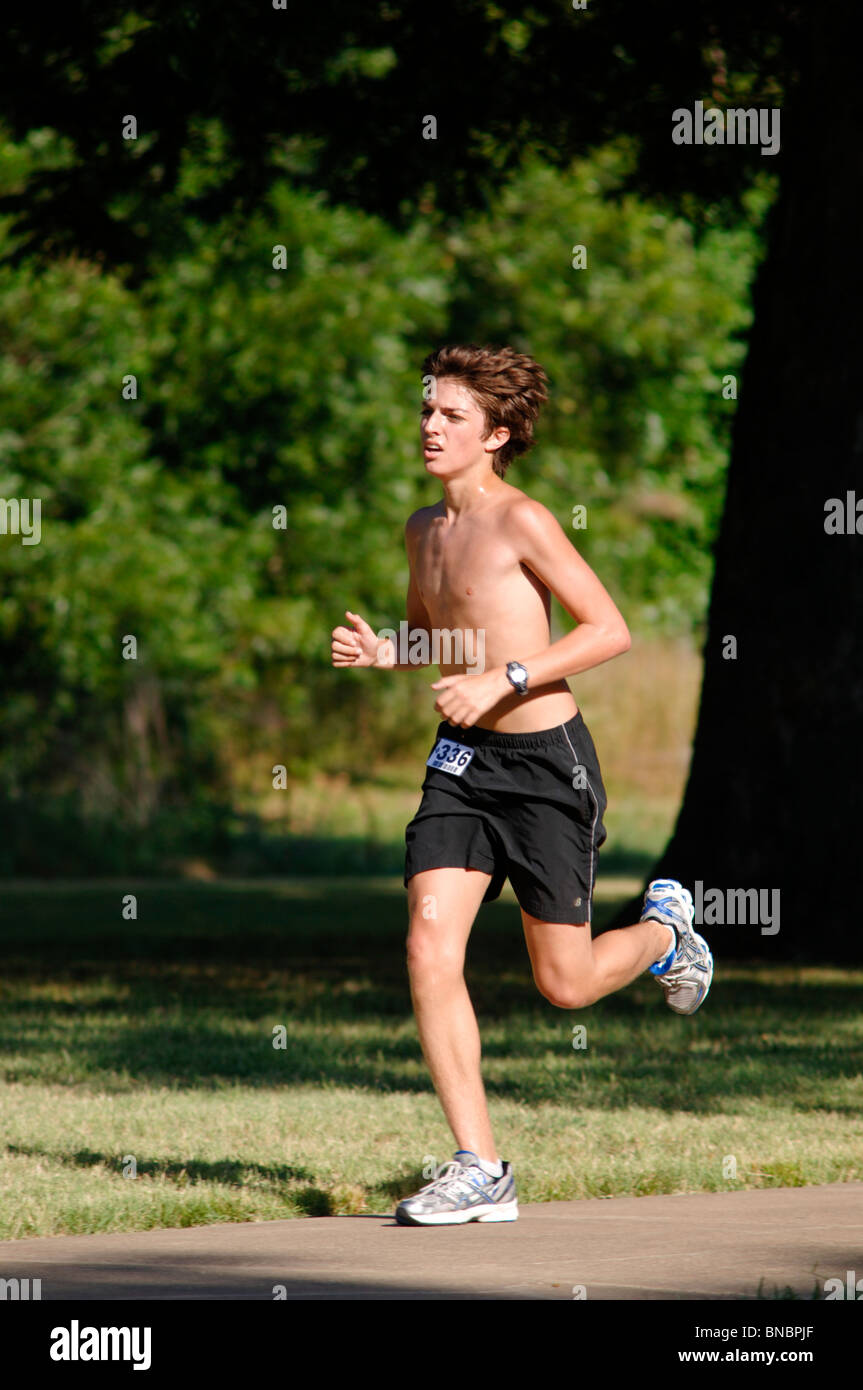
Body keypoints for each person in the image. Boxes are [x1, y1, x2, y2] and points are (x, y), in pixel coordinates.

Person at [331, 343, 713, 1227]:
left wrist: (506, 678)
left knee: (565, 984)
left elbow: (607, 630)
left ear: (495, 432)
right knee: (429, 943)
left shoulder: (523, 521)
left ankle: (663, 932)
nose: (430, 426)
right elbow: (448, 642)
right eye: (427, 410)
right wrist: (394, 650)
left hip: (547, 768)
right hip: (461, 766)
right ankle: (480, 1167)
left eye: (451, 416)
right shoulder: (423, 529)